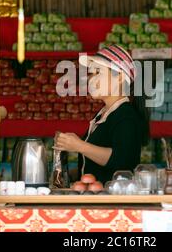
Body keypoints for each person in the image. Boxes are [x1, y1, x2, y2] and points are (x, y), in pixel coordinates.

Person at [54, 45, 150, 184]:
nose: (91, 79)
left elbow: (121, 160)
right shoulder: (103, 114)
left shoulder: (126, 116)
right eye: (91, 74)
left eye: (98, 72)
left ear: (120, 77)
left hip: (114, 199)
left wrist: (79, 146)